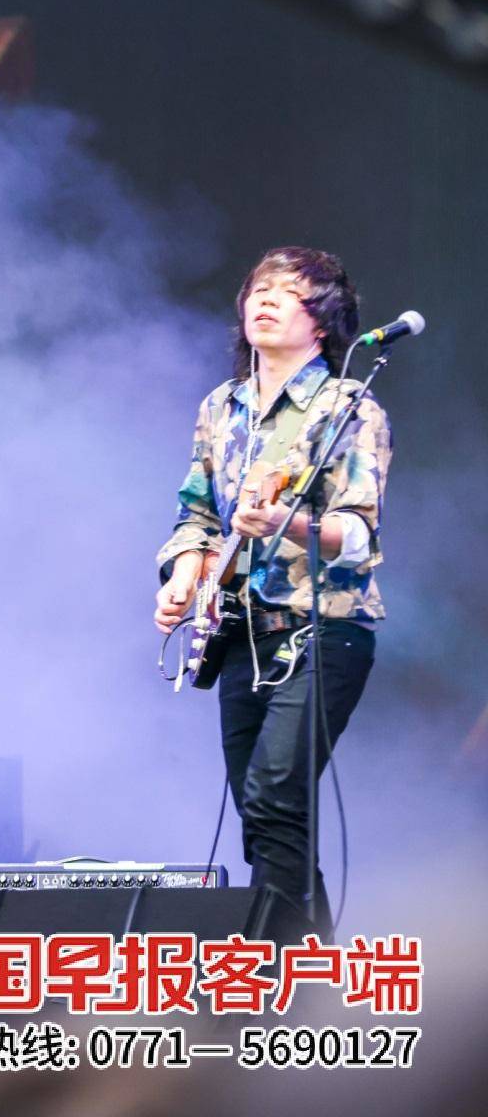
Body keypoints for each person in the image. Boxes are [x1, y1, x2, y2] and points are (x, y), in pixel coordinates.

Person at [153, 247, 391, 931]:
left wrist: (291, 524)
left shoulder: (349, 407)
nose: (266, 299)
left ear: (322, 318)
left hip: (323, 631)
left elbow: (358, 533)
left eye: (288, 291)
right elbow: (197, 515)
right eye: (259, 287)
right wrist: (183, 577)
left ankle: (275, 967)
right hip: (239, 635)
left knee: (275, 795)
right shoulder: (220, 407)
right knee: (265, 819)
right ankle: (304, 971)